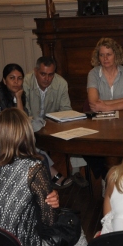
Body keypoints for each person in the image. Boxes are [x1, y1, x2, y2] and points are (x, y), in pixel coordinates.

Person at [0, 108, 87, 246]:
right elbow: (49, 220)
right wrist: (51, 203)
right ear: (27, 133)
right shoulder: (33, 168)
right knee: (75, 231)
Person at [23, 56, 86, 190]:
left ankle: (76, 171)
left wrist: (62, 122)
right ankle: (47, 174)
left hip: (52, 123)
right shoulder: (26, 82)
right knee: (29, 135)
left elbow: (66, 110)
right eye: (43, 74)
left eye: (51, 74)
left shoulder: (61, 83)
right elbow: (24, 112)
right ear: (35, 71)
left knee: (74, 128)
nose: (47, 78)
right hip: (31, 124)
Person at [87, 37, 123, 112]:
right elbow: (94, 104)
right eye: (101, 55)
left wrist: (107, 108)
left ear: (116, 55)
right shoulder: (93, 74)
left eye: (108, 54)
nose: (105, 58)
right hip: (101, 119)